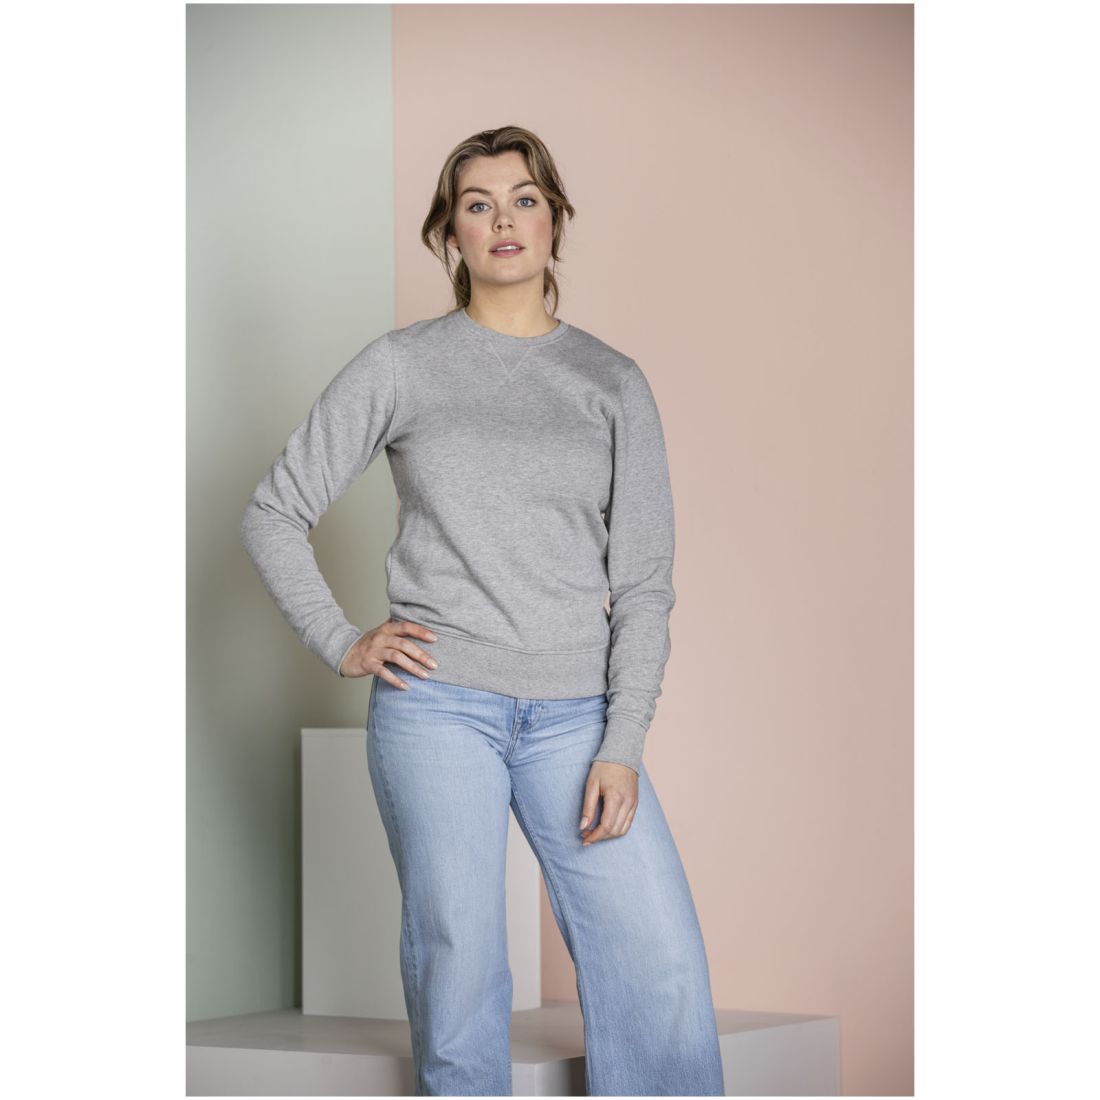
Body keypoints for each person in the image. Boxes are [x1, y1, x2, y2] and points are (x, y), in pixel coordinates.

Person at [240, 125, 725, 1097]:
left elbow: (643, 581)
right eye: (477, 203)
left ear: (554, 221)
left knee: (658, 963)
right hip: (436, 707)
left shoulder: (611, 382)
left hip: (577, 718)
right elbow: (273, 511)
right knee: (458, 964)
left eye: (524, 198)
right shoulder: (401, 365)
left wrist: (623, 739)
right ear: (448, 232)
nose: (503, 219)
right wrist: (341, 640)